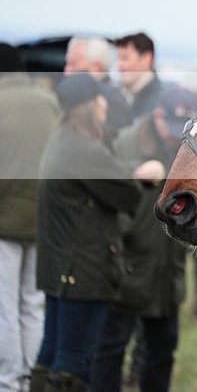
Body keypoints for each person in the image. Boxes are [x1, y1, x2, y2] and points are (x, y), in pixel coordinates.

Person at [33, 74, 143, 391]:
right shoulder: (84, 151)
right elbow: (128, 193)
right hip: (83, 271)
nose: (104, 103)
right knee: (75, 363)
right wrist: (144, 177)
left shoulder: (60, 140)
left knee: (51, 352)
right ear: (88, 105)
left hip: (60, 270)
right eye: (100, 98)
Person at [91, 85, 197, 392]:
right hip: (126, 266)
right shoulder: (127, 143)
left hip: (167, 270)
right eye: (172, 127)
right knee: (110, 350)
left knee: (161, 354)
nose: (175, 136)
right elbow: (105, 192)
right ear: (158, 115)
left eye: (184, 128)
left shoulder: (188, 149)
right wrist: (135, 176)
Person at [0, 43, 59, 392]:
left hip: (4, 222)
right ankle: (32, 379)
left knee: (5, 308)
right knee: (33, 306)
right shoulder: (49, 102)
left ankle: (8, 383)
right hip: (44, 220)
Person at [64, 36, 132, 135]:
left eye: (73, 64)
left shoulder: (112, 102)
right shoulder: (81, 97)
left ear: (96, 68)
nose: (66, 71)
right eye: (67, 63)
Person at [115, 33, 162, 121]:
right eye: (118, 58)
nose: (119, 65)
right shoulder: (116, 94)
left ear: (147, 58)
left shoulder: (160, 103)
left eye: (125, 58)